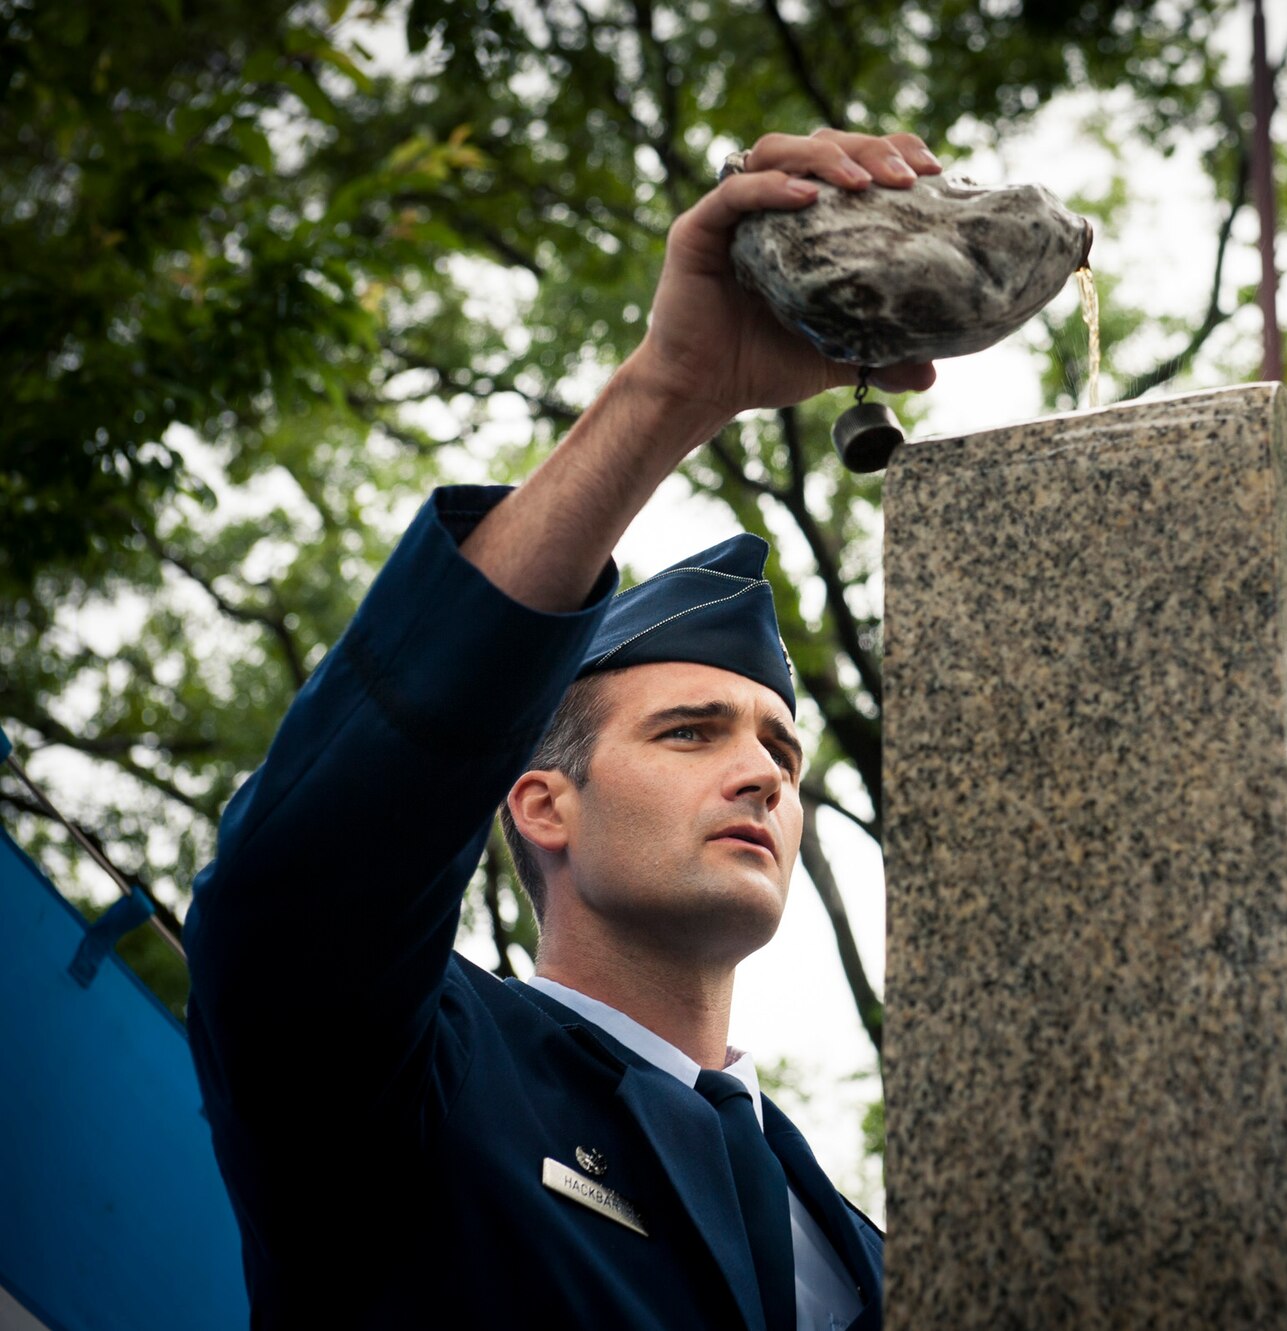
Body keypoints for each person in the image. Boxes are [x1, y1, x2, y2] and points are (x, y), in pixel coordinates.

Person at [182, 128, 942, 1330]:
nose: (759, 773)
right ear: (541, 803)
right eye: (690, 731)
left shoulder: (867, 1252)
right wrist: (672, 392)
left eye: (780, 752)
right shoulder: (419, 1076)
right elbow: (301, 883)